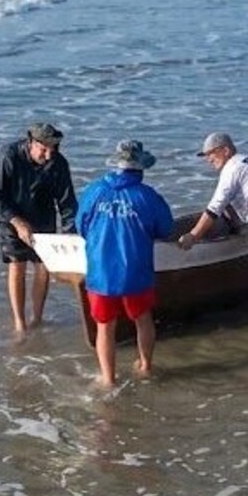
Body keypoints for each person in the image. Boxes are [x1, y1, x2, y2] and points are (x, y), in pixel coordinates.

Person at [77, 140, 174, 387]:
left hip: (101, 273)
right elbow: (165, 228)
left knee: (104, 327)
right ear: (140, 167)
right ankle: (145, 366)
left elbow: (81, 226)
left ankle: (108, 379)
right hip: (135, 271)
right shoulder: (147, 196)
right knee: (143, 319)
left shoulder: (93, 191)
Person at [178, 132, 248, 331]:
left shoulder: (232, 168)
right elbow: (238, 199)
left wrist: (194, 236)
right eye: (205, 155)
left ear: (226, 150)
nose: (208, 159)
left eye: (211, 153)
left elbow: (214, 208)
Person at [0, 122, 78, 332]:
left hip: (43, 215)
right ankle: (20, 322)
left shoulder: (58, 163)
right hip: (13, 215)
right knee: (17, 264)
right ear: (31, 143)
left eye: (53, 150)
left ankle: (37, 318)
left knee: (43, 266)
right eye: (43, 150)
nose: (48, 155)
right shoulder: (9, 156)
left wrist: (70, 235)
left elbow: (67, 204)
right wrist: (17, 222)